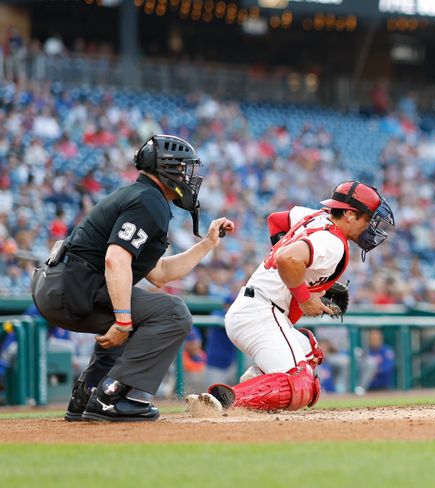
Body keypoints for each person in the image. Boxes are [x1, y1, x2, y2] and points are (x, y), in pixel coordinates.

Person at [31, 134, 235, 422]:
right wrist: (123, 321)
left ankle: (88, 394)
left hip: (62, 285)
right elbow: (116, 258)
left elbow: (160, 274)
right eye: (181, 168)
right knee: (174, 313)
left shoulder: (141, 197)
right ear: (164, 169)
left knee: (140, 311)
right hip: (73, 286)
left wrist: (208, 244)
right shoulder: (148, 201)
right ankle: (115, 396)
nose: (187, 177)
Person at [187, 180, 394, 413]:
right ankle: (222, 402)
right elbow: (288, 259)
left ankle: (255, 382)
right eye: (369, 218)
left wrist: (295, 276)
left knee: (309, 350)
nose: (372, 227)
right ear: (349, 214)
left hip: (255, 308)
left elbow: (276, 220)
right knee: (301, 384)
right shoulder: (333, 242)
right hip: (262, 314)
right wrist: (305, 297)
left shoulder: (313, 216)